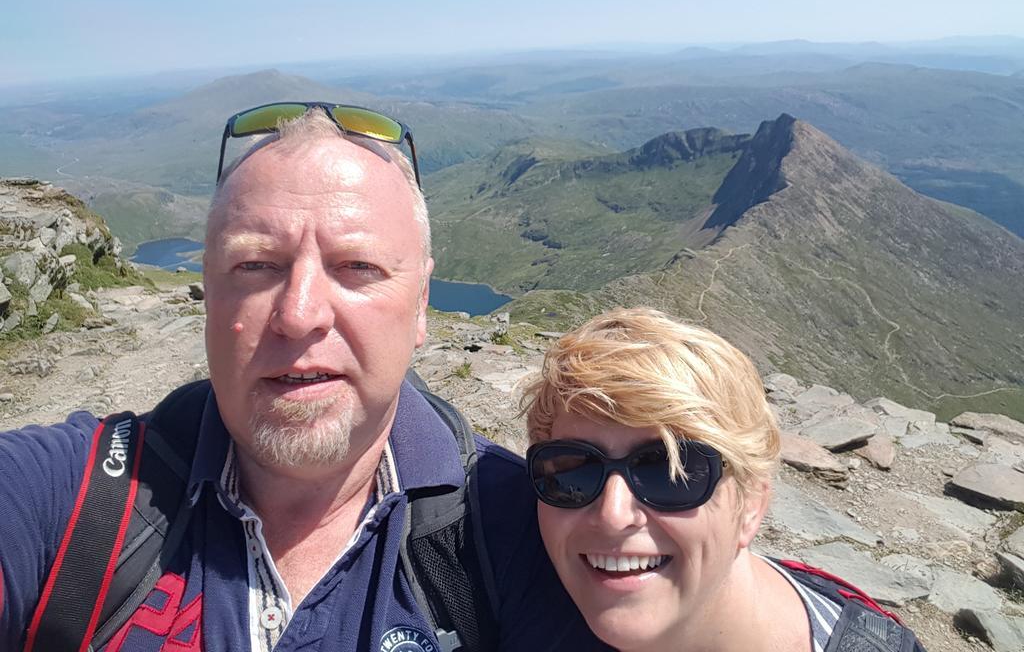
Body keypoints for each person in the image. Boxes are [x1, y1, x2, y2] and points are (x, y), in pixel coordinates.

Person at [0, 104, 605, 652]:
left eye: (358, 266)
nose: (299, 314)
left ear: (421, 303)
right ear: (209, 292)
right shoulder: (71, 497)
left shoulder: (514, 529)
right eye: (257, 265)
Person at [521, 307, 926, 652]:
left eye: (670, 472)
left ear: (751, 505)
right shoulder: (510, 593)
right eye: (574, 469)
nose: (612, 515)